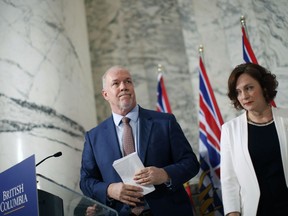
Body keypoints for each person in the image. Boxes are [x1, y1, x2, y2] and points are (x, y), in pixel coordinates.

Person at [80, 65, 199, 216]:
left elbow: (191, 163)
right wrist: (110, 190)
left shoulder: (164, 122)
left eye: (128, 81)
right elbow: (86, 181)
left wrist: (164, 174)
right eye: (116, 83)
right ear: (105, 94)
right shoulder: (94, 137)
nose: (123, 87)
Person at [220, 62, 288, 216]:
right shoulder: (230, 130)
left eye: (249, 88)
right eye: (238, 92)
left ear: (264, 87)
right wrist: (232, 213)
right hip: (256, 210)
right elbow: (229, 179)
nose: (244, 96)